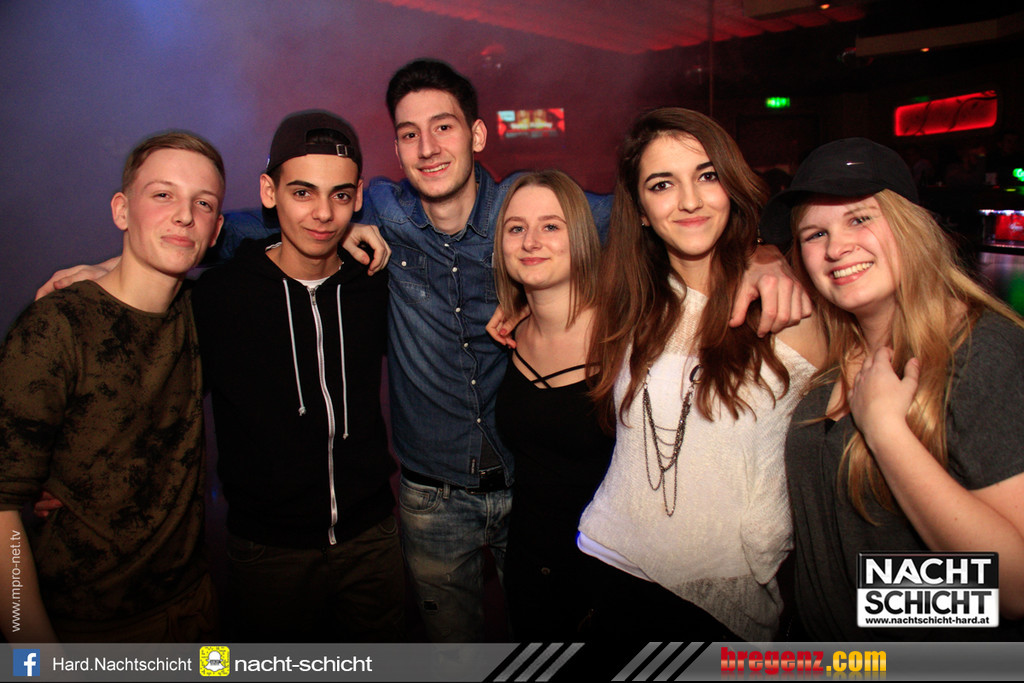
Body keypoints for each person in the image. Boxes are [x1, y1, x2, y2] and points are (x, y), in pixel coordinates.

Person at [37, 59, 809, 642]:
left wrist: (767, 250)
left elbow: (669, 211)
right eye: (409, 133)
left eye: (443, 127)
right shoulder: (377, 211)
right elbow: (250, 221)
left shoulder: (532, 205)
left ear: (476, 135)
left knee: (549, 631)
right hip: (429, 497)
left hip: (533, 488)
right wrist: (123, 262)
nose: (427, 146)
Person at [760, 137, 1024, 640]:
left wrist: (886, 432)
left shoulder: (983, 353)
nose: (836, 248)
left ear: (911, 226)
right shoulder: (834, 353)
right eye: (816, 233)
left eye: (860, 218)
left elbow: (1014, 589)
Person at [577, 107, 824, 642]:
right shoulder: (631, 304)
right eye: (662, 184)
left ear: (731, 186)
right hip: (609, 562)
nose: (689, 200)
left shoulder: (789, 307)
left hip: (724, 598)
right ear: (642, 210)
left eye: (707, 176)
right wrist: (512, 308)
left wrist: (769, 250)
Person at [0, 132, 225, 642]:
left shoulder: (203, 313)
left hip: (193, 608)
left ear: (215, 230)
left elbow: (293, 233)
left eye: (203, 203)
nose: (184, 215)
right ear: (122, 210)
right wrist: (35, 654)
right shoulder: (55, 327)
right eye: (163, 194)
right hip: (85, 626)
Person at [190, 111, 404, 642]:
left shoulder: (373, 284)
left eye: (340, 195)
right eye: (303, 192)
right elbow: (159, 402)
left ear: (358, 197)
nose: (323, 213)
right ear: (270, 192)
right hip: (269, 553)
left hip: (372, 541)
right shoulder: (221, 296)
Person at [492, 170, 613, 640]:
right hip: (527, 562)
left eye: (550, 226)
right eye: (516, 228)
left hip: (605, 573)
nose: (530, 241)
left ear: (579, 235)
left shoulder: (623, 336)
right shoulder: (513, 333)